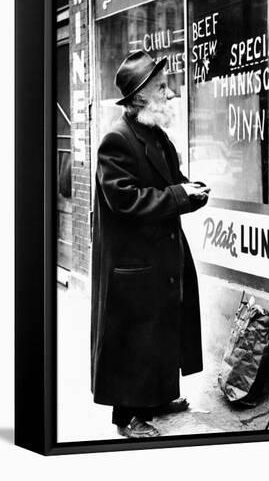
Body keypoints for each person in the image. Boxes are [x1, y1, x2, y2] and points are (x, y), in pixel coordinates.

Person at [90, 50, 210, 438]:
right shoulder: (116, 140)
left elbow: (171, 180)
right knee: (133, 338)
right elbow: (126, 200)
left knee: (159, 332)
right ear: (139, 96)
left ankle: (157, 397)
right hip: (132, 263)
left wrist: (191, 190)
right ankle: (127, 417)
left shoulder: (155, 134)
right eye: (161, 87)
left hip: (158, 255)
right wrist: (179, 195)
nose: (170, 92)